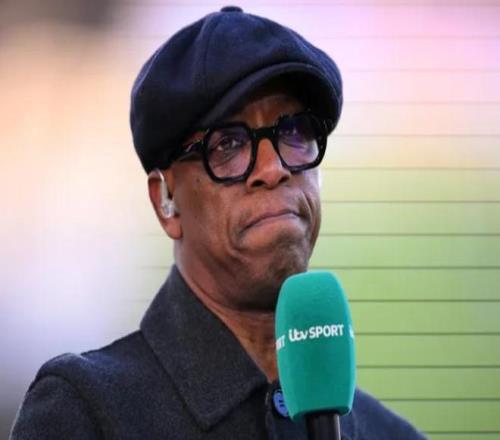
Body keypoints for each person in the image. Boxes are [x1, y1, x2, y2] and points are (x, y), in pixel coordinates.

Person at [10, 6, 427, 439]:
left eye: (295, 132)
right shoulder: (87, 413)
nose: (273, 168)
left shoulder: (390, 435)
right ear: (165, 202)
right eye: (228, 144)